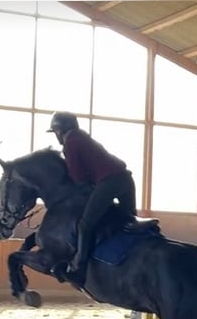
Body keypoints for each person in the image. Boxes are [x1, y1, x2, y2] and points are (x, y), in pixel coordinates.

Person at [47, 111, 137, 286]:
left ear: (60, 130)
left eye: (56, 132)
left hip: (109, 182)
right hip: (126, 180)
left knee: (84, 225)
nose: (56, 136)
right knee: (128, 223)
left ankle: (79, 270)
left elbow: (78, 178)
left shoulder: (71, 143)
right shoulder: (83, 138)